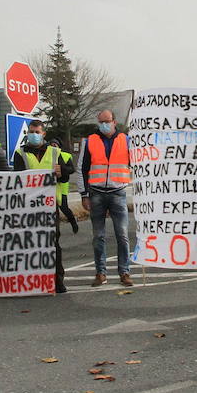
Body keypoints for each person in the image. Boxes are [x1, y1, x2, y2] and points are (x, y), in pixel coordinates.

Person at [12, 119, 74, 293]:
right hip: (28, 207)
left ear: (43, 134)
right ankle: (33, 280)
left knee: (53, 243)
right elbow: (17, 178)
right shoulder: (20, 153)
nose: (34, 135)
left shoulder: (55, 152)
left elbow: (67, 173)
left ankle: (57, 281)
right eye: (31, 132)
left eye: (37, 132)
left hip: (49, 206)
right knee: (30, 244)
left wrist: (61, 173)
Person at [81, 109, 133, 287]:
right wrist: (84, 194)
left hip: (118, 192)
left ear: (114, 122)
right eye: (101, 122)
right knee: (98, 236)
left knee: (123, 235)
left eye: (107, 121)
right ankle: (100, 272)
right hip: (96, 193)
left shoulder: (126, 140)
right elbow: (83, 168)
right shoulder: (90, 141)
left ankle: (124, 272)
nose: (103, 125)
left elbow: (138, 163)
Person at [47, 134, 81, 235]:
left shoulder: (65, 156)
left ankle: (73, 222)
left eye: (55, 145)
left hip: (61, 186)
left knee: (64, 208)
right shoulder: (46, 156)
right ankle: (55, 231)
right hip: (49, 186)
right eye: (51, 145)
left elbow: (72, 169)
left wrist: (62, 170)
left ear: (59, 147)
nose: (53, 146)